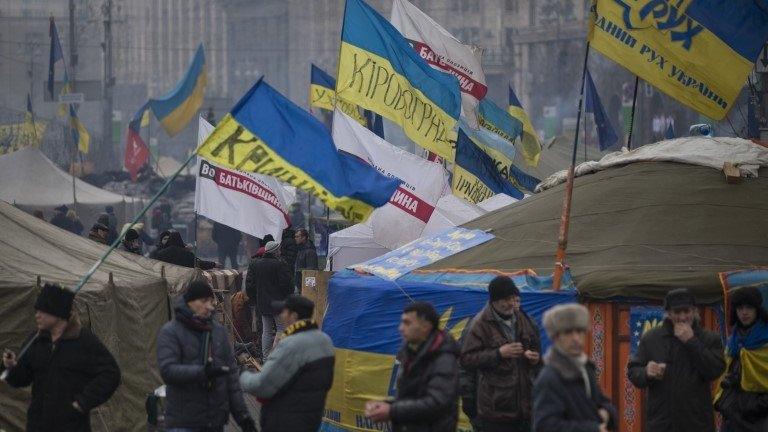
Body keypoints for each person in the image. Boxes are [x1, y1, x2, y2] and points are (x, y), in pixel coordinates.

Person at [1, 283, 121, 432]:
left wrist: (82, 402)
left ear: (58, 313)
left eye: (42, 311)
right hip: (38, 425)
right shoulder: (36, 340)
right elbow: (21, 379)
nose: (37, 315)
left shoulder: (83, 341)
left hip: (71, 426)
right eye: (37, 310)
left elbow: (111, 374)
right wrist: (11, 366)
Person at [156, 280, 256, 432]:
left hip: (214, 421)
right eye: (204, 301)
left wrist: (243, 417)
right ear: (190, 302)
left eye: (211, 301)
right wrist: (203, 372)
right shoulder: (171, 332)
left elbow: (232, 380)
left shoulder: (218, 332)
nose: (209, 306)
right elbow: (167, 371)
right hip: (184, 421)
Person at [627, 288, 725, 432]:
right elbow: (633, 371)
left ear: (694, 311)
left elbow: (715, 370)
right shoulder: (651, 338)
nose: (683, 317)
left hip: (696, 423)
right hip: (662, 423)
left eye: (687, 311)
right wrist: (646, 372)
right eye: (677, 312)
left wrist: (691, 341)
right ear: (668, 313)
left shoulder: (709, 338)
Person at [240, 295, 335, 432]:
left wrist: (243, 376)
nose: (281, 315)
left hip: (286, 421)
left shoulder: (291, 344)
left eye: (284, 311)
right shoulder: (325, 340)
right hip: (312, 418)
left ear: (293, 316)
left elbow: (262, 385)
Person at [461, 276, 542, 432]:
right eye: (506, 299)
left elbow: (537, 353)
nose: (511, 303)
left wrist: (534, 358)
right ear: (494, 301)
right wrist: (498, 353)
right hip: (495, 411)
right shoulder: (479, 325)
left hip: (525, 408)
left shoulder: (525, 320)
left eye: (513, 298)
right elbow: (466, 360)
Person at [365, 302, 460, 432]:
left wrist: (392, 410)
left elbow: (438, 402)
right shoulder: (410, 352)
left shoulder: (444, 358)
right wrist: (386, 405)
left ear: (426, 326)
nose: (401, 328)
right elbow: (410, 396)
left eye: (407, 323)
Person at [532, 304, 616, 432]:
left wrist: (607, 413)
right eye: (568, 332)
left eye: (579, 331)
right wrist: (592, 429)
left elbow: (602, 402)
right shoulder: (550, 377)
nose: (576, 338)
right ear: (556, 337)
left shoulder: (586, 368)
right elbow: (545, 426)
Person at [715, 286, 768, 432]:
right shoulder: (733, 341)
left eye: (749, 307)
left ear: (757, 309)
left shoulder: (766, 339)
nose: (744, 312)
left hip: (759, 418)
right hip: (732, 415)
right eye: (740, 308)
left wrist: (757, 404)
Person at [245, 241, 292, 358]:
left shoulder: (257, 264)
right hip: (278, 303)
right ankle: (275, 356)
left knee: (266, 331)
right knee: (281, 329)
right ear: (275, 250)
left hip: (263, 302)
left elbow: (252, 284)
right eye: (279, 249)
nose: (280, 251)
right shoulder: (279, 264)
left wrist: (254, 299)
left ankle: (266, 357)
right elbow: (286, 284)